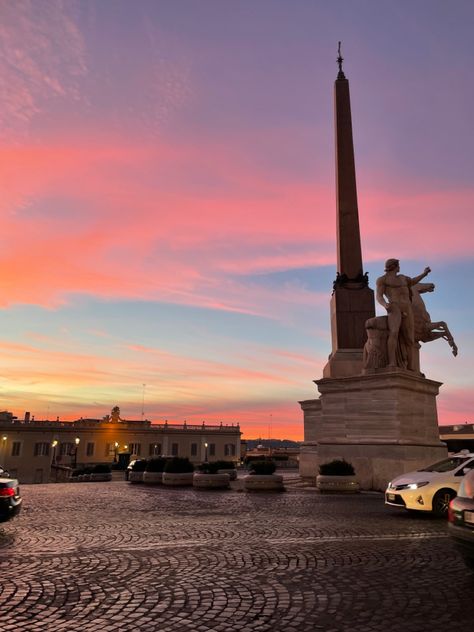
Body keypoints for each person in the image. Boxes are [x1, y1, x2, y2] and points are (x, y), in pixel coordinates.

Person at [375, 259, 431, 370]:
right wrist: (385, 304)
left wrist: (424, 274)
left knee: (410, 338)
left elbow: (414, 281)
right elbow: (379, 296)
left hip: (407, 308)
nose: (399, 267)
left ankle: (411, 367)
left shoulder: (403, 278)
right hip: (394, 308)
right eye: (398, 265)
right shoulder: (383, 280)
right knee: (394, 333)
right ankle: (392, 363)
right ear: (394, 266)